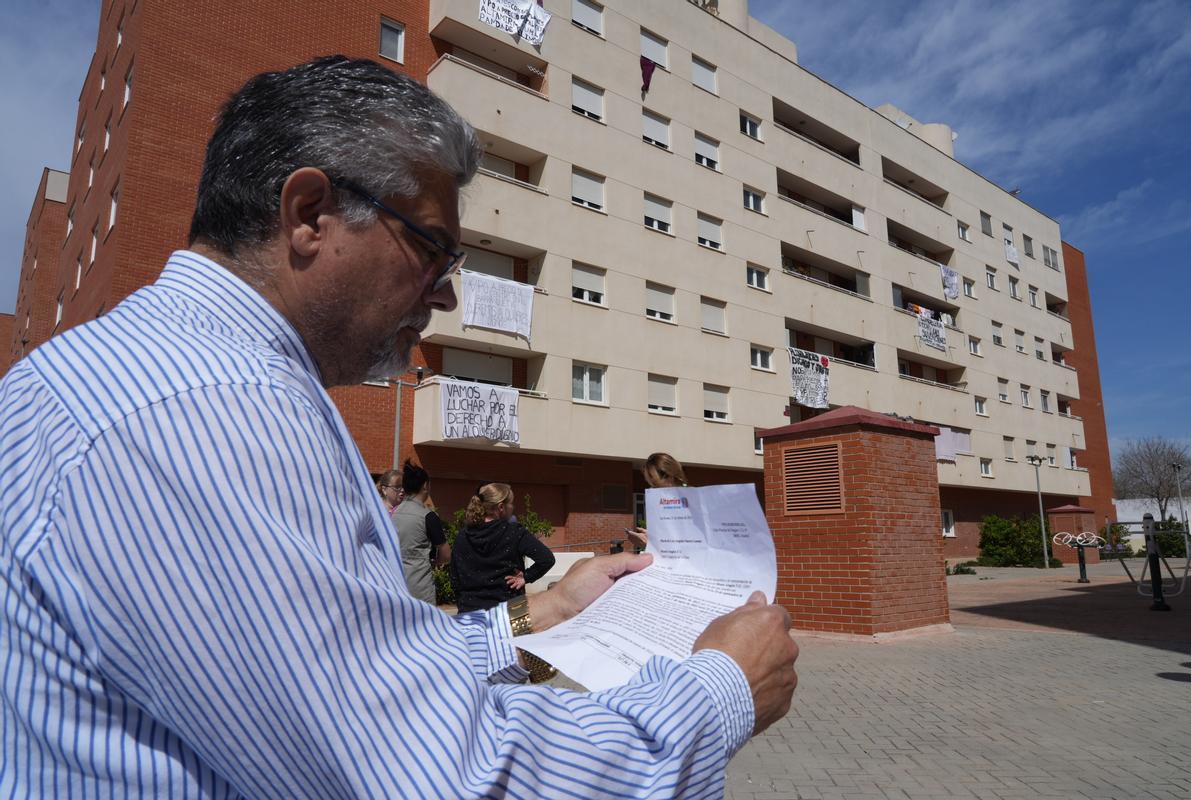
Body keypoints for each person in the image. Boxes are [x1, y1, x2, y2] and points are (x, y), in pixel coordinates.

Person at [0, 56, 798, 798]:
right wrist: (720, 689)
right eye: (433, 250)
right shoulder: (205, 411)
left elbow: (370, 664)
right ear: (310, 214)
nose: (446, 296)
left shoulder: (140, 372)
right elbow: (441, 775)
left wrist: (548, 613)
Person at [451, 482, 556, 613]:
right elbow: (547, 559)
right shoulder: (514, 532)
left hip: (470, 613)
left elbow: (455, 579)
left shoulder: (462, 536)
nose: (513, 507)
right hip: (509, 614)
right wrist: (526, 577)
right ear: (501, 507)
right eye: (511, 503)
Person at [391, 459, 449, 603]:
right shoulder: (428, 516)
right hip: (419, 586)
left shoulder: (393, 512)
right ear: (425, 486)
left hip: (395, 582)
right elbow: (446, 554)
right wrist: (436, 562)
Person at [627, 451, 689, 549]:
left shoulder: (690, 500)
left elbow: (689, 545)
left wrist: (648, 544)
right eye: (650, 482)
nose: (652, 487)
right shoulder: (661, 500)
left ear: (670, 475)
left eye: (655, 483)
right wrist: (651, 536)